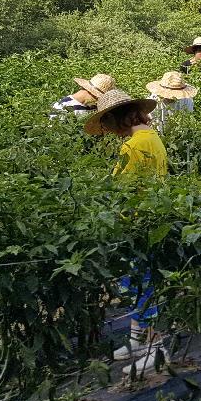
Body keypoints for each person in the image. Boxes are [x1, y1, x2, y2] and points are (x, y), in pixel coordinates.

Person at [84, 89, 167, 371]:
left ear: (119, 120)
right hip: (153, 219)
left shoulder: (132, 147)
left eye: (107, 125)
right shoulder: (152, 137)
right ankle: (138, 339)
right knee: (140, 282)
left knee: (141, 286)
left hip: (136, 224)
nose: (108, 132)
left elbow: (123, 190)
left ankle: (156, 348)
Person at [49, 73, 116, 119]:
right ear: (93, 94)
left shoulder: (92, 107)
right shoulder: (63, 106)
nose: (99, 101)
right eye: (99, 98)